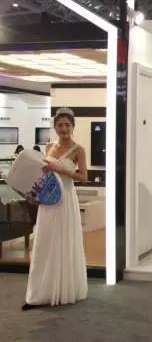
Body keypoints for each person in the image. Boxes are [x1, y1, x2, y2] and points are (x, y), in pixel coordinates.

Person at [23, 107, 88, 310]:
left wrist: (62, 169)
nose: (64, 129)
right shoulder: (49, 146)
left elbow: (83, 177)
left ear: (73, 126)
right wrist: (36, 192)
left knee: (63, 242)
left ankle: (64, 289)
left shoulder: (78, 149)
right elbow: (44, 173)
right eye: (60, 125)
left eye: (67, 125)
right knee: (44, 242)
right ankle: (41, 292)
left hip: (66, 200)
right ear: (55, 127)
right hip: (47, 201)